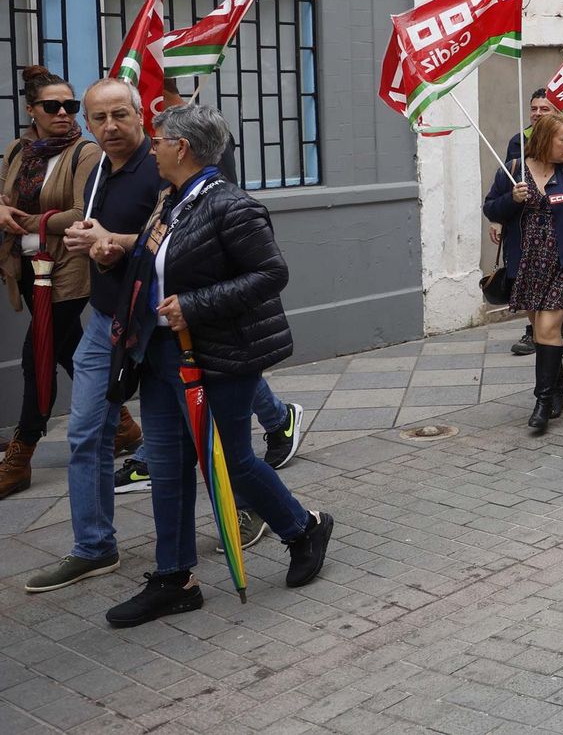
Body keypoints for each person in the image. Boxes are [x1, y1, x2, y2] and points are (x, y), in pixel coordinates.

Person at [104, 103, 332, 626]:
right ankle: (175, 577)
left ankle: (303, 528)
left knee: (227, 462)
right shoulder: (171, 200)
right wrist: (118, 254)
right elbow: (159, 264)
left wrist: (194, 305)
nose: (151, 146)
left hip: (221, 355)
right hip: (162, 355)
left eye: (158, 140)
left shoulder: (231, 206)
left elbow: (271, 273)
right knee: (166, 466)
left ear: (181, 148)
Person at [24, 79, 162, 591]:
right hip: (106, 321)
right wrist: (88, 237)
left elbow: (170, 235)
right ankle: (94, 546)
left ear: (140, 113)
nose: (110, 127)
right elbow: (99, 230)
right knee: (86, 435)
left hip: (159, 322)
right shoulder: (102, 166)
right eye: (99, 118)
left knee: (196, 432)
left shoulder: (160, 164)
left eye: (119, 116)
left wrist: (117, 244)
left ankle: (251, 511)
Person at [0, 68, 100, 500]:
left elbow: (81, 214)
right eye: (52, 106)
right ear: (31, 110)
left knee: (35, 356)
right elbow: (4, 196)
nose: (63, 113)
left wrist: (23, 220)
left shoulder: (85, 153)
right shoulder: (18, 151)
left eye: (70, 106)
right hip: (25, 267)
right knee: (67, 349)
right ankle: (119, 428)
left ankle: (22, 454)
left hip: (65, 268)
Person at [485, 113, 563, 436]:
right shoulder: (513, 171)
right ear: (544, 139)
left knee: (549, 328)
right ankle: (559, 386)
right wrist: (512, 199)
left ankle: (542, 402)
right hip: (527, 264)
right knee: (542, 332)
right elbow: (491, 208)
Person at [494, 88, 558, 357]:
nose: (537, 113)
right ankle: (536, 332)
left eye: (544, 109)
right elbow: (503, 187)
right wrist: (499, 219)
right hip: (524, 230)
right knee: (530, 283)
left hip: (555, 231)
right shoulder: (517, 142)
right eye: (534, 108)